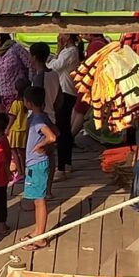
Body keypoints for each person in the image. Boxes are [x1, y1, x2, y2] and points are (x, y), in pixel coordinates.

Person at [20, 87, 57, 249]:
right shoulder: (42, 117)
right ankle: (37, 230)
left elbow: (52, 136)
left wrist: (41, 145)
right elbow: (57, 132)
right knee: (37, 199)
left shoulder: (38, 121)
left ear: (28, 102)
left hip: (37, 163)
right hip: (38, 162)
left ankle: (41, 237)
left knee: (39, 201)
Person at [48, 33, 81, 180]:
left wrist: (58, 49)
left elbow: (54, 66)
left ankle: (61, 167)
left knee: (61, 128)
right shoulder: (66, 52)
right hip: (65, 91)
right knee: (65, 129)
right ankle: (67, 163)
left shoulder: (71, 51)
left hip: (66, 91)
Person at [0, 32, 30, 112]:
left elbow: (30, 64)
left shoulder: (15, 48)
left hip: (18, 95)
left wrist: (29, 84)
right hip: (1, 97)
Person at [7, 81, 29, 183]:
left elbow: (12, 117)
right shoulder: (26, 102)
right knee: (23, 152)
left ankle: (20, 173)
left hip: (15, 130)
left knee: (14, 151)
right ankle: (25, 171)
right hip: (24, 129)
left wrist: (7, 128)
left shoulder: (16, 103)